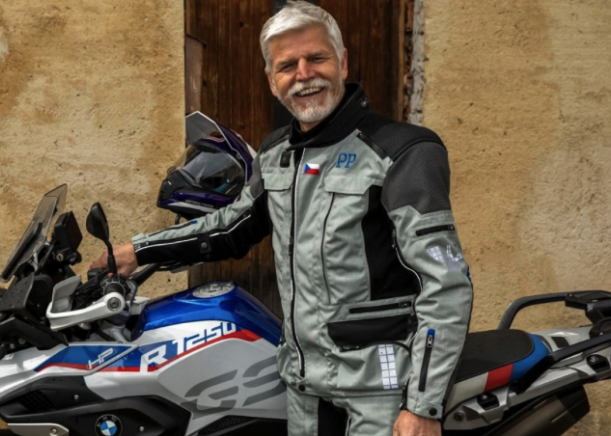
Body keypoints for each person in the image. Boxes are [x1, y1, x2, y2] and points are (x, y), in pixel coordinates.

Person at [92, 2, 472, 435]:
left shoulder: (403, 151)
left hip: (381, 392)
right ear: (273, 82)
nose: (304, 74)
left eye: (317, 58)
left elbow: (446, 285)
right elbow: (230, 228)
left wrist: (423, 405)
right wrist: (137, 251)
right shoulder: (277, 154)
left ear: (343, 62)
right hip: (304, 388)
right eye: (287, 66)